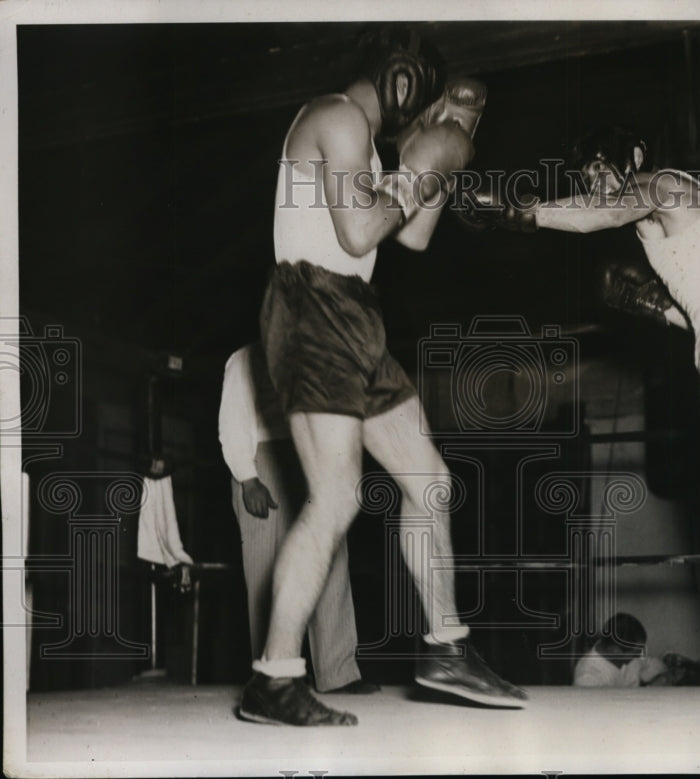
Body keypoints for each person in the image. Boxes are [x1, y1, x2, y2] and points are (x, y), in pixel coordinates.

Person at [458, 125, 700, 714]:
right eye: (587, 175)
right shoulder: (691, 210)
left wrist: (519, 214)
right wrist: (656, 308)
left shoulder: (661, 183)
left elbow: (592, 219)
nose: (595, 181)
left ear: (636, 156)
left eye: (600, 165)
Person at [238, 25, 526, 727]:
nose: (426, 117)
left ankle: (446, 647)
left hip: (355, 312)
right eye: (429, 103)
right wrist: (423, 160)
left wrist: (440, 161)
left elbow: (414, 236)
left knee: (429, 480)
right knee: (335, 499)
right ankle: (273, 678)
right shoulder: (333, 116)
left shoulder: (367, 144)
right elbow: (360, 232)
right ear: (405, 81)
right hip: (312, 304)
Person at [219, 342, 379, 694]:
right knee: (264, 572)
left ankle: (337, 671)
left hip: (311, 458)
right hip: (263, 460)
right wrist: (247, 478)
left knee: (330, 558)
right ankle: (275, 675)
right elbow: (231, 420)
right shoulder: (245, 358)